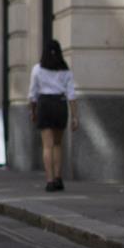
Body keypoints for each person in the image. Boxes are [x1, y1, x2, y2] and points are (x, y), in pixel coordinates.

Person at [29, 39, 80, 191]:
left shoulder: (37, 69)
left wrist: (32, 111)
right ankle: (58, 178)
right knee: (58, 144)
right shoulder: (65, 70)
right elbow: (71, 94)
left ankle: (50, 180)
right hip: (60, 103)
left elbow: (32, 94)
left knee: (47, 145)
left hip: (44, 103)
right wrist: (75, 116)